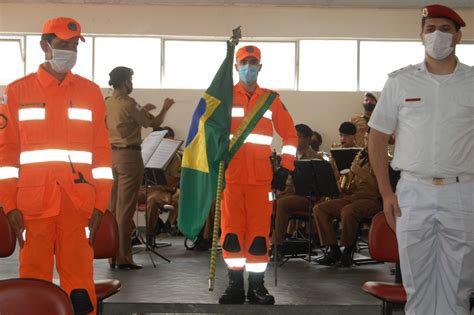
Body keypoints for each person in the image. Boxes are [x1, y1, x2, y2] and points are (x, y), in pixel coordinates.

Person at [0, 17, 113, 314]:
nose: (70, 51)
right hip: (32, 208)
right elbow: (6, 156)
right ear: (44, 46)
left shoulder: (91, 94)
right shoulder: (15, 93)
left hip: (78, 207)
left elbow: (102, 155)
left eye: (75, 45)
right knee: (34, 285)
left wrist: (100, 204)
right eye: (64, 44)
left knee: (79, 287)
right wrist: (9, 204)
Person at [368, 5, 474, 314]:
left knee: (459, 285)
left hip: (463, 190)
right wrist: (386, 192)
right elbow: (376, 137)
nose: (437, 35)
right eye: (430, 29)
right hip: (413, 191)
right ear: (421, 36)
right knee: (417, 283)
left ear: (458, 36)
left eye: (445, 29)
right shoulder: (401, 82)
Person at [219, 45, 298, 305]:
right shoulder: (224, 97)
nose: (248, 68)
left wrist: (286, 167)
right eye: (244, 63)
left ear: (260, 67)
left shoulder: (271, 99)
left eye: (253, 63)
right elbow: (209, 135)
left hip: (261, 180)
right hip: (230, 178)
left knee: (257, 237)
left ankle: (256, 287)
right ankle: (234, 287)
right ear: (236, 66)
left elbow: (290, 135)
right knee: (231, 235)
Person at [106, 66, 174, 270]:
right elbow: (154, 123)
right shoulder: (128, 102)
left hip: (111, 156)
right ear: (125, 81)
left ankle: (112, 256)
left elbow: (126, 121)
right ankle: (124, 257)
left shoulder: (108, 102)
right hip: (129, 157)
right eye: (131, 79)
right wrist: (165, 108)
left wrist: (143, 110)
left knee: (114, 207)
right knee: (125, 211)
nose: (132, 83)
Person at [314, 128, 380, 267]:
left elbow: (381, 185)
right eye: (366, 139)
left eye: (370, 139)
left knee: (348, 211)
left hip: (372, 199)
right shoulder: (361, 157)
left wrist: (360, 172)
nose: (367, 143)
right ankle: (333, 249)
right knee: (320, 208)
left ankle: (347, 251)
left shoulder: (383, 158)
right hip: (354, 196)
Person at [273, 124, 321, 252]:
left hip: (307, 198)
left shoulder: (316, 158)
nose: (294, 139)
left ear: (308, 139)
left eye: (298, 137)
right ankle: (263, 240)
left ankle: (277, 246)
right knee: (265, 201)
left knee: (282, 203)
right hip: (288, 194)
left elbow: (318, 185)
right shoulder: (289, 156)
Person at [137, 126, 181, 244]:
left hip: (161, 190)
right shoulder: (145, 153)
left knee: (152, 200)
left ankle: (151, 234)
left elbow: (174, 182)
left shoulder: (174, 158)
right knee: (119, 197)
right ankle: (132, 233)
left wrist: (159, 172)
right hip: (142, 188)